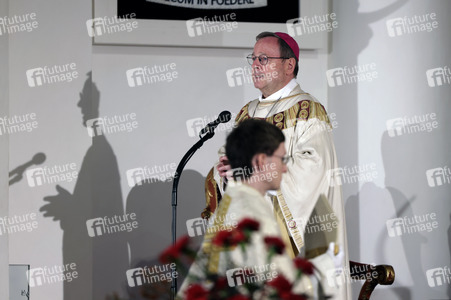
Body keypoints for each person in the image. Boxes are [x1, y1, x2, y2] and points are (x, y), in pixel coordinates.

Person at [203, 32, 351, 299]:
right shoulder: (247, 113)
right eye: (253, 59)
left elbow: (313, 169)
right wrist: (224, 173)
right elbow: (229, 164)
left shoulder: (307, 109)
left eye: (264, 58)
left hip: (292, 242)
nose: (255, 65)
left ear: (288, 65)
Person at [177, 119, 321, 299]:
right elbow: (284, 286)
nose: (284, 169)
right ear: (261, 161)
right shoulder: (253, 214)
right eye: (282, 159)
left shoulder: (233, 200)